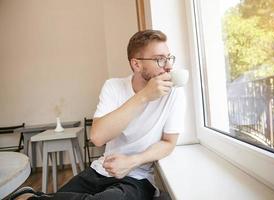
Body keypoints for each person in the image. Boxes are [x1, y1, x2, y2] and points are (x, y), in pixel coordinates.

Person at [10, 29, 186, 200]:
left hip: (137, 179)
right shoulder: (113, 86)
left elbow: (169, 143)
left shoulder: (174, 94)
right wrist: (144, 96)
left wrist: (132, 161)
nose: (169, 66)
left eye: (169, 58)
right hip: (99, 170)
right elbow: (98, 137)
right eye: (160, 60)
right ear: (136, 64)